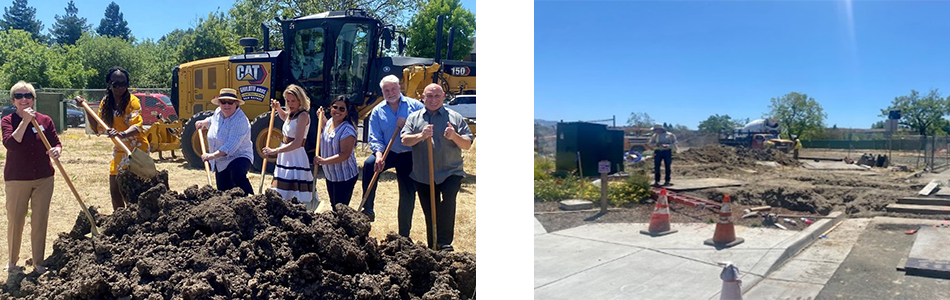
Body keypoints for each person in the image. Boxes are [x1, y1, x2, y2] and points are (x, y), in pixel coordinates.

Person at [401, 84, 473, 251]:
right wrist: (421, 135)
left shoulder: (455, 117)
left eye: (436, 96)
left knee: (448, 203)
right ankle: (433, 245)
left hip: (450, 171)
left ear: (443, 97)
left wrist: (454, 135)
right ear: (423, 98)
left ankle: (444, 243)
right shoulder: (414, 117)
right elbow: (405, 140)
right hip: (423, 173)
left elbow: (467, 144)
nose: (433, 100)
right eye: (429, 96)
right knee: (430, 210)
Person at [2, 81, 61, 274]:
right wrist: (26, 121)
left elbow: (56, 142)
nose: (24, 99)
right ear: (13, 101)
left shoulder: (46, 120)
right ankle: (12, 262)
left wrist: (56, 151)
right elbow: (11, 144)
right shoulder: (8, 120)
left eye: (28, 96)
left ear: (34, 100)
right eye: (19, 96)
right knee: (16, 220)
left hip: (44, 178)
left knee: (40, 220)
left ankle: (38, 262)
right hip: (17, 179)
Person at [76, 67, 149, 210]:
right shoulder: (106, 103)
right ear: (109, 84)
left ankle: (137, 220)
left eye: (124, 84)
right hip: (119, 148)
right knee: (115, 189)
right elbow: (97, 128)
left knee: (132, 190)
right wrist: (86, 108)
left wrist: (121, 134)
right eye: (116, 84)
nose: (120, 88)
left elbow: (137, 127)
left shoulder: (132, 102)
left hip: (136, 149)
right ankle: (119, 219)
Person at [361, 75, 424, 226]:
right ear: (382, 92)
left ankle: (404, 232)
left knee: (407, 191)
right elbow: (375, 136)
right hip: (388, 153)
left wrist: (408, 124)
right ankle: (368, 209)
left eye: (393, 89)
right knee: (370, 165)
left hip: (409, 153)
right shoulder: (377, 111)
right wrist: (378, 155)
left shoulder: (415, 106)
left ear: (399, 88)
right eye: (386, 90)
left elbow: (425, 128)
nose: (390, 93)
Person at [262, 84, 317, 210]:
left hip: (295, 155)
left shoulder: (303, 115)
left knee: (294, 187)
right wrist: (277, 109)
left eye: (293, 101)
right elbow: (285, 118)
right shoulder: (291, 114)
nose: (290, 104)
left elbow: (297, 142)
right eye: (288, 101)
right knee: (282, 184)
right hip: (285, 154)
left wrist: (275, 150)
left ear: (300, 100)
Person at [194, 88, 255, 195]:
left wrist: (211, 156)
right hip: (221, 161)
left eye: (230, 102)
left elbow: (230, 147)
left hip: (238, 156)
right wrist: (203, 122)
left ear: (236, 104)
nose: (226, 105)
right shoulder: (218, 112)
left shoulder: (240, 121)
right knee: (223, 191)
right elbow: (212, 120)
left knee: (237, 175)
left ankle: (251, 199)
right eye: (223, 102)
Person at [314, 95, 359, 209]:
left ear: (347, 113)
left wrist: (324, 161)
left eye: (342, 109)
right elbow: (326, 128)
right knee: (334, 205)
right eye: (335, 107)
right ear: (330, 108)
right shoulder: (329, 122)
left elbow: (345, 155)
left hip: (344, 176)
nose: (337, 111)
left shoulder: (347, 130)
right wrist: (322, 117)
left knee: (340, 208)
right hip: (331, 175)